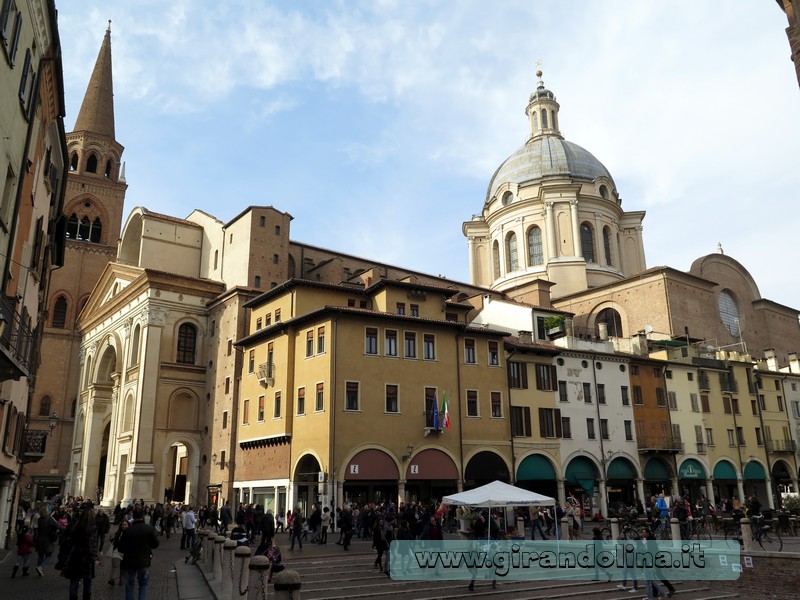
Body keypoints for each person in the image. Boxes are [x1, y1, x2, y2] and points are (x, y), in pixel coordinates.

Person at [117, 507, 159, 600]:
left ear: (133, 517)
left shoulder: (127, 531)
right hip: (143, 561)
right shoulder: (149, 529)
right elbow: (155, 544)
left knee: (129, 586)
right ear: (143, 517)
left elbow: (120, 548)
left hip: (129, 561)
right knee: (143, 584)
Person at [60, 503, 100, 600]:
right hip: (87, 558)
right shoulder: (93, 528)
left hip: (76, 555)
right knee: (87, 581)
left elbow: (70, 539)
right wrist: (96, 558)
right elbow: (92, 545)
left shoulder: (76, 526)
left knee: (74, 581)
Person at [35, 507, 60, 576]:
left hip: (39, 539)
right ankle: (41, 566)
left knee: (40, 555)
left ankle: (39, 568)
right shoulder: (49, 519)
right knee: (49, 555)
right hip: (48, 540)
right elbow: (58, 526)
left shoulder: (39, 520)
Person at [107, 520, 128, 586]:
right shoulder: (118, 533)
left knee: (123, 567)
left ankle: (121, 579)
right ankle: (112, 579)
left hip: (126, 552)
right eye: (122, 525)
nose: (123, 526)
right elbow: (115, 541)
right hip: (117, 551)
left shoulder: (130, 533)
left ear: (128, 525)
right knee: (115, 565)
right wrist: (111, 539)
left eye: (125, 524)